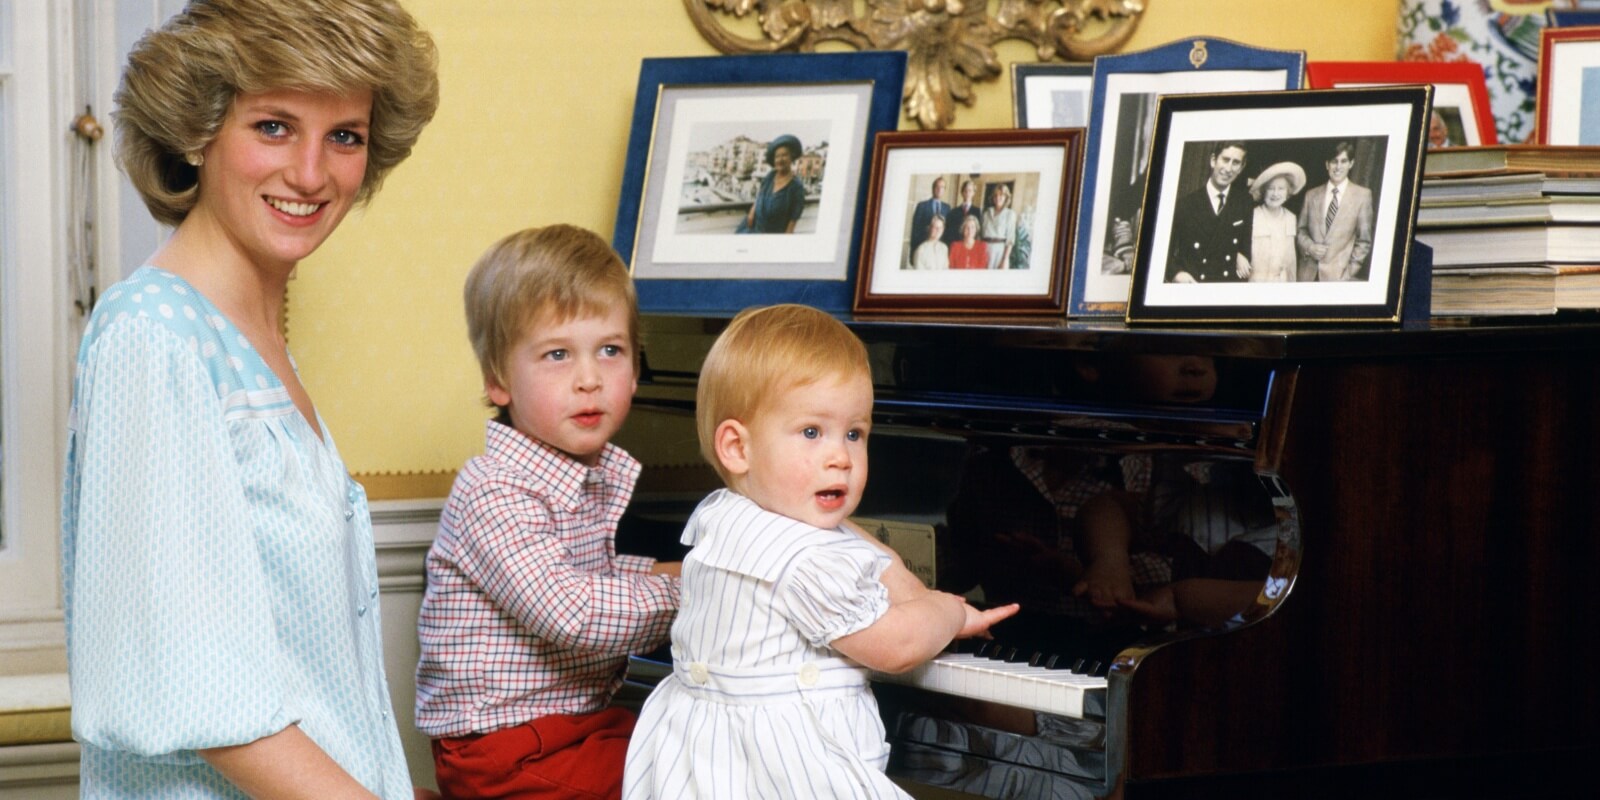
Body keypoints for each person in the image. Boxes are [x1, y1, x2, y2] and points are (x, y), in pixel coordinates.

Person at [61, 1, 439, 797]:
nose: (310, 174)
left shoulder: (253, 343)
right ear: (197, 132)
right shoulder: (153, 336)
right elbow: (201, 689)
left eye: (345, 136)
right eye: (273, 126)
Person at [622, 304, 1017, 799]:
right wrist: (944, 612)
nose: (840, 457)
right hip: (783, 772)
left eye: (855, 433)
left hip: (704, 760)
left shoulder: (726, 514)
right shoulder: (804, 561)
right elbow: (895, 648)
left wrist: (921, 596)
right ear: (737, 448)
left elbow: (857, 546)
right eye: (812, 432)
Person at [415, 225, 682, 800]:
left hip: (572, 726)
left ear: (635, 367)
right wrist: (699, 590)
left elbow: (589, 573)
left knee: (699, 749)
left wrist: (670, 572)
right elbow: (572, 611)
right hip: (502, 749)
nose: (590, 378)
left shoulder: (578, 472)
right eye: (558, 354)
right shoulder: (494, 490)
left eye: (610, 350)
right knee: (687, 779)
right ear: (498, 379)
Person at [1166, 140, 1254, 283]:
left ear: (1241, 168)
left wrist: (1237, 254)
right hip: (1194, 285)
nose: (1229, 168)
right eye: (1225, 160)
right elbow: (1164, 251)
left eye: (1236, 163)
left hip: (1226, 287)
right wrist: (1177, 274)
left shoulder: (1244, 202)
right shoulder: (1185, 204)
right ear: (1213, 160)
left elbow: (1245, 248)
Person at [1297, 141, 1375, 282]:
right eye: (1334, 161)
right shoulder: (1311, 195)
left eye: (1343, 161)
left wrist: (1347, 275)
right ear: (1327, 164)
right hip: (1307, 276)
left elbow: (1364, 241)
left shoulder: (1363, 196)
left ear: (1351, 164)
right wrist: (1310, 247)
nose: (1338, 167)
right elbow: (1300, 230)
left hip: (1338, 278)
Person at [1248, 161, 1306, 283]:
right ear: (1264, 191)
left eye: (1281, 189)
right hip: (1255, 282)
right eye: (1270, 188)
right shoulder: (1252, 215)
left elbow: (1291, 260)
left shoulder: (1291, 218)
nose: (1275, 193)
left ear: (1287, 192)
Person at [736, 134, 807, 233]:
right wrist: (752, 211)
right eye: (777, 156)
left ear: (792, 157)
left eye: (784, 155)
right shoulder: (770, 175)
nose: (780, 159)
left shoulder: (796, 187)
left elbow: (792, 221)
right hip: (752, 227)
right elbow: (760, 194)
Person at [980, 183, 1018, 269]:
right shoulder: (986, 213)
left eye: (1001, 195)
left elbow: (1010, 240)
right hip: (984, 249)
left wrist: (1005, 259)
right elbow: (981, 234)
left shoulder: (1010, 214)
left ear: (1006, 197)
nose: (998, 197)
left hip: (999, 252)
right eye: (995, 195)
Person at [909, 176, 949, 249]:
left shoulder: (947, 208)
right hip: (923, 246)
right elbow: (915, 230)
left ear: (944, 190)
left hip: (939, 248)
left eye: (942, 187)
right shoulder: (922, 206)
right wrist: (913, 251)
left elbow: (947, 231)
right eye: (937, 187)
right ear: (933, 188)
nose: (939, 189)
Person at [942, 178, 981, 245]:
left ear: (973, 193)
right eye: (965, 191)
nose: (967, 193)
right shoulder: (953, 212)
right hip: (957, 245)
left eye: (970, 191)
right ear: (962, 193)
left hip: (971, 245)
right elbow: (949, 233)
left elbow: (979, 233)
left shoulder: (978, 212)